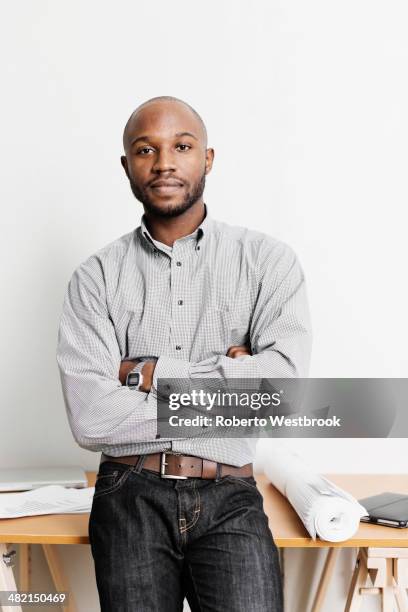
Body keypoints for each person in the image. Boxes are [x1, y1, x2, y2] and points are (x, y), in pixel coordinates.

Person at [56, 95, 312, 611]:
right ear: (127, 166)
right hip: (128, 492)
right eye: (146, 150)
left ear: (208, 159)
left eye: (182, 146)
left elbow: (280, 392)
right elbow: (91, 418)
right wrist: (231, 378)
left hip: (230, 494)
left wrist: (149, 373)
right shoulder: (95, 277)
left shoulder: (267, 262)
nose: (165, 162)